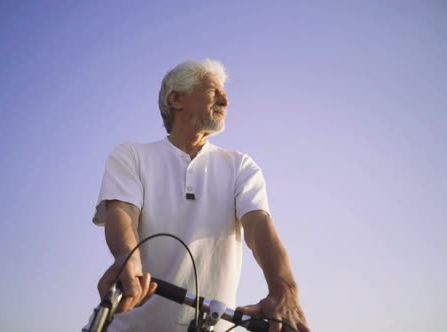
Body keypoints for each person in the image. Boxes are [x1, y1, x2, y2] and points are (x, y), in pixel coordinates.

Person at [92, 59, 310, 332]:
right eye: (214, 91)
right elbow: (123, 212)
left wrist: (284, 288)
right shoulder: (131, 156)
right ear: (177, 99)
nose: (226, 101)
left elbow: (258, 226)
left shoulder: (240, 165)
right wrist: (128, 258)